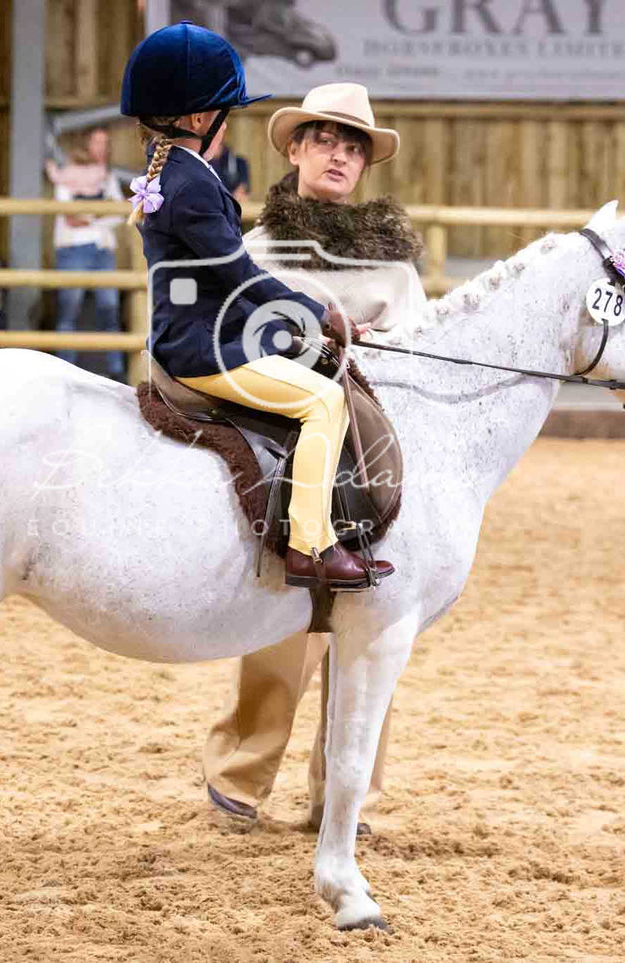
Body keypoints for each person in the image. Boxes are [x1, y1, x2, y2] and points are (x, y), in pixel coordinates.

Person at [202, 82, 426, 832]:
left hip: (373, 452)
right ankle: (241, 770)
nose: (340, 154)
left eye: (353, 145)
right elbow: (240, 338)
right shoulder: (258, 249)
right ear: (295, 148)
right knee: (281, 611)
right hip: (286, 440)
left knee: (373, 625)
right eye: (325, 139)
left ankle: (342, 788)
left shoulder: (396, 269)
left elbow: (417, 356)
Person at [120, 21, 395, 591]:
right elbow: (240, 275)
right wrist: (319, 314)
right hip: (201, 348)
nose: (228, 118)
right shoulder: (192, 183)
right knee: (323, 403)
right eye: (225, 109)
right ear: (199, 119)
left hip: (204, 330)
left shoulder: (173, 169)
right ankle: (311, 546)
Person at [46, 127, 127, 379]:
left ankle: (116, 371)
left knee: (109, 308)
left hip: (101, 248)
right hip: (73, 249)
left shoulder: (108, 177)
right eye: (96, 143)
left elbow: (118, 213)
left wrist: (90, 215)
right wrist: (100, 212)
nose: (101, 148)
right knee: (70, 309)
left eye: (105, 143)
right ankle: (63, 370)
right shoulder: (69, 173)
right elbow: (69, 215)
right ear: (85, 146)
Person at [210, 140, 251, 204]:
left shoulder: (238, 162)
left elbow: (244, 182)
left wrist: (240, 191)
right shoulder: (206, 163)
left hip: (235, 199)